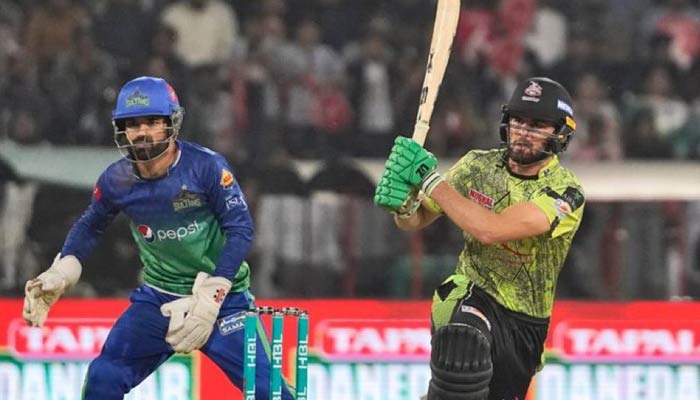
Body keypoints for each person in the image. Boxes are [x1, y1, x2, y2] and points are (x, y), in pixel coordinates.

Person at [21, 76, 295, 400]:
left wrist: (213, 296)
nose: (142, 132)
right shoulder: (116, 180)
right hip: (158, 300)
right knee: (103, 379)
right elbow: (89, 226)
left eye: (152, 122)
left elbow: (241, 228)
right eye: (132, 124)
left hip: (223, 301)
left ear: (172, 124)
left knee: (271, 394)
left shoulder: (206, 167)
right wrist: (62, 271)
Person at [375, 77, 585, 400]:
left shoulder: (566, 192)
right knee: (463, 341)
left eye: (537, 125)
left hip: (524, 326)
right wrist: (403, 205)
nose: (523, 132)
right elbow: (418, 219)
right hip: (472, 292)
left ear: (560, 133)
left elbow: (492, 230)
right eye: (518, 120)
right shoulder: (476, 166)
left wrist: (428, 179)